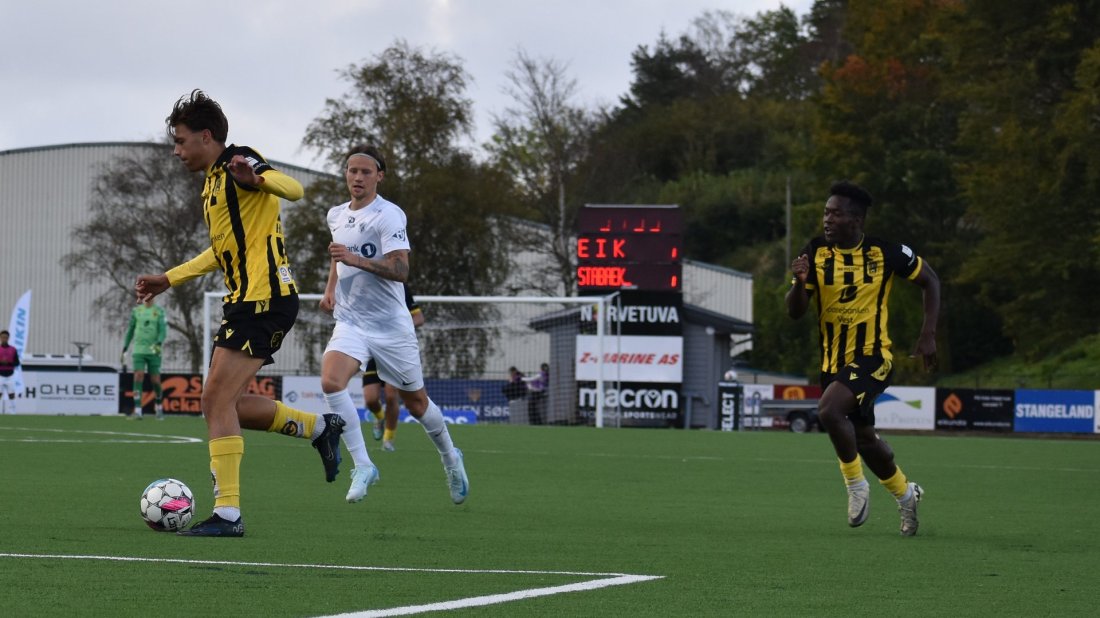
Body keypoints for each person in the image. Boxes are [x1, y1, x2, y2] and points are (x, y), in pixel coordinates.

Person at [134, 90, 345, 537]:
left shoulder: (240, 161)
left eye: (180, 140)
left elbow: (296, 189)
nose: (176, 150)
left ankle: (228, 514)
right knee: (223, 404)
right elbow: (220, 251)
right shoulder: (212, 183)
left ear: (206, 137)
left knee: (214, 401)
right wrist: (168, 278)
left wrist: (258, 177)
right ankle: (318, 426)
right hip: (244, 303)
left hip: (264, 299)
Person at [786, 180, 940, 537]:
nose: (827, 219)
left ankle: (856, 486)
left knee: (828, 411)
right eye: (825, 212)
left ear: (855, 220)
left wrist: (928, 333)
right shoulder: (815, 253)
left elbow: (930, 280)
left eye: (835, 213)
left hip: (874, 355)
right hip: (833, 364)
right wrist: (799, 282)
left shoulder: (886, 253)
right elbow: (795, 312)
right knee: (866, 440)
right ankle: (906, 495)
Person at [318, 144, 468, 505]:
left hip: (389, 326)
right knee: (331, 382)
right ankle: (364, 465)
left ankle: (450, 456)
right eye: (352, 170)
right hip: (352, 321)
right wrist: (330, 288)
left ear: (379, 176)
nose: (357, 177)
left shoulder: (389, 215)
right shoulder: (336, 214)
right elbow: (338, 258)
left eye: (365, 172)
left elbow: (401, 270)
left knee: (417, 404)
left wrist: (356, 259)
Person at [362, 283, 424, 452]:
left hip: (394, 350)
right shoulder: (366, 286)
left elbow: (419, 318)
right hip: (373, 351)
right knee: (370, 399)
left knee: (391, 397)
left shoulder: (401, 288)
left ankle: (388, 439)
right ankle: (379, 417)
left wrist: (398, 326)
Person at [122, 298, 167, 419]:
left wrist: (159, 342)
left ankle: (158, 407)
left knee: (155, 380)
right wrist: (125, 346)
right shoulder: (136, 311)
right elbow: (131, 330)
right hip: (139, 350)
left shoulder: (159, 311)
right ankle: (137, 410)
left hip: (154, 350)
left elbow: (163, 330)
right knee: (138, 375)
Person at [0, 330, 19, 415]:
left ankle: (13, 411)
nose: (4, 339)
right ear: (0, 338)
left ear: (8, 338)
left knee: (11, 393)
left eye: (6, 337)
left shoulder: (13, 349)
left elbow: (17, 362)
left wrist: (8, 363)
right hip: (0, 375)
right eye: (3, 337)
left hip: (10, 375)